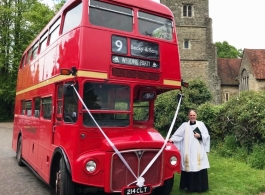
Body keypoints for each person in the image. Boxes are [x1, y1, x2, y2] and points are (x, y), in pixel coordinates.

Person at [169, 109, 210, 193]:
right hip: (188, 152)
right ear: (188, 116)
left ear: (196, 116)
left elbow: (207, 136)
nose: (192, 117)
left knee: (199, 167)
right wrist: (172, 140)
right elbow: (178, 135)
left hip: (198, 151)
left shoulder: (201, 124)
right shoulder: (184, 125)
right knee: (189, 168)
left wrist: (200, 135)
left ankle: (200, 187)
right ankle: (189, 187)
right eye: (190, 115)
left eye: (193, 115)